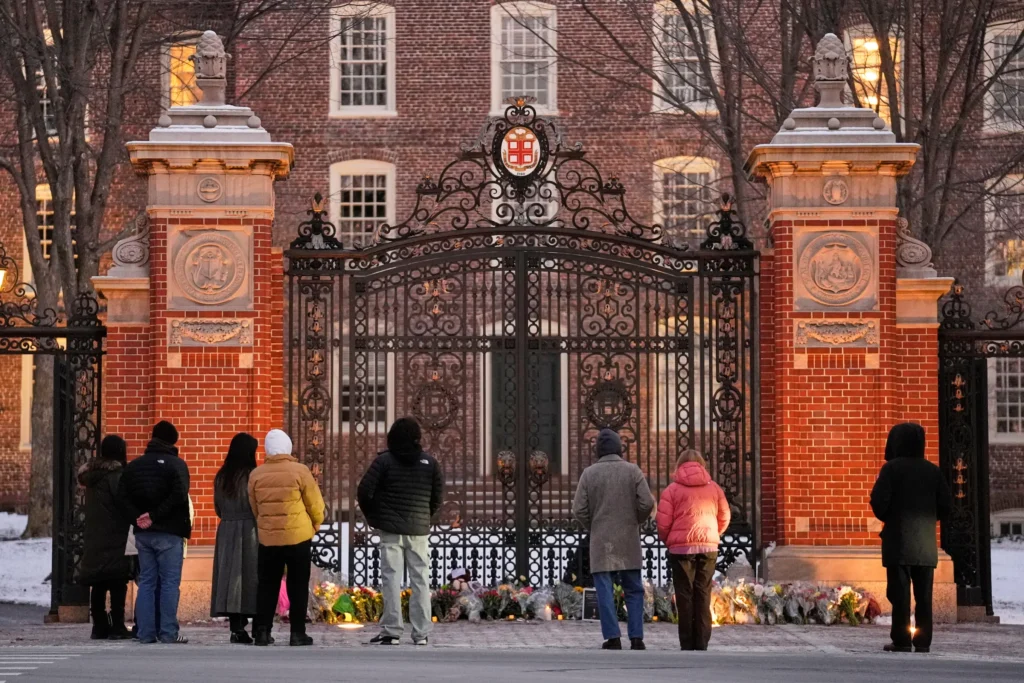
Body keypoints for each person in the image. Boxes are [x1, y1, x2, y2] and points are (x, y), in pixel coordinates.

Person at [357, 417, 444, 646]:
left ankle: (392, 630)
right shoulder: (430, 463)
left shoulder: (384, 462)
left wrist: (375, 517)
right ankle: (422, 632)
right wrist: (425, 517)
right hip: (418, 530)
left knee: (391, 578)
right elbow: (437, 498)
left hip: (391, 530)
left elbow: (364, 491)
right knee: (420, 580)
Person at [870, 423, 953, 654]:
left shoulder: (891, 469)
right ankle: (923, 640)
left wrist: (891, 517)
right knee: (924, 597)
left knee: (900, 595)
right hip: (925, 544)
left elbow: (878, 502)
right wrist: (927, 520)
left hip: (898, 542)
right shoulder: (933, 471)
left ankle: (902, 639)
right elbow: (946, 506)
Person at [571, 428, 655, 650]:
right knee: (633, 588)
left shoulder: (589, 474)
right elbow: (647, 503)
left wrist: (594, 524)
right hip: (628, 535)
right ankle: (636, 637)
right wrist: (635, 520)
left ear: (598, 450)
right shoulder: (632, 471)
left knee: (604, 589)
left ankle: (613, 637)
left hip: (602, 539)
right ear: (619, 448)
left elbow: (578, 508)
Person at [248, 429, 325, 647]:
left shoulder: (256, 474)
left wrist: (266, 524)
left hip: (268, 539)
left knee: (267, 584)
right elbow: (315, 503)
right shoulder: (300, 471)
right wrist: (316, 523)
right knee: (298, 585)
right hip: (298, 536)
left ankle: (262, 631)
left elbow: (255, 507)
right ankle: (297, 633)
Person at [118, 420, 191, 645]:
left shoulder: (134, 467)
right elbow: (179, 495)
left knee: (147, 582)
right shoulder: (177, 465)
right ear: (172, 440)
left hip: (143, 534)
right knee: (169, 583)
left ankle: (145, 633)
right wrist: (155, 516)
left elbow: (122, 498)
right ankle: (168, 632)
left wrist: (139, 518)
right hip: (169, 532)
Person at [656, 450, 731, 651]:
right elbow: (725, 516)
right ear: (702, 465)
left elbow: (663, 522)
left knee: (684, 594)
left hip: (681, 549)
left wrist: (668, 539)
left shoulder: (672, 490)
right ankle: (702, 641)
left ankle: (687, 642)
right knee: (703, 592)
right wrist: (713, 534)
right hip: (708, 547)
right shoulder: (714, 489)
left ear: (679, 465)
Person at [78, 434, 133, 640]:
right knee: (118, 580)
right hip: (114, 534)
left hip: (95, 534)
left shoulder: (92, 476)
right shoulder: (116, 475)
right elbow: (123, 501)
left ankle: (99, 625)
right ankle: (117, 624)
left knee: (98, 582)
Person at [211, 433, 260, 644]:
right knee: (250, 576)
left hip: (227, 528)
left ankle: (236, 626)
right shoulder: (252, 475)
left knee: (230, 577)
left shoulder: (222, 476)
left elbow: (217, 507)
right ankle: (255, 624)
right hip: (249, 528)